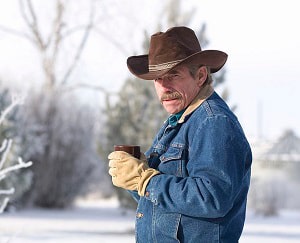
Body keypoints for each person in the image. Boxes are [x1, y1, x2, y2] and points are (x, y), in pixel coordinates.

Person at [108, 26, 252, 243]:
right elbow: (160, 201)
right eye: (157, 78)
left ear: (201, 76)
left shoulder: (213, 122)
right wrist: (136, 177)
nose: (164, 87)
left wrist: (147, 180)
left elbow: (212, 198)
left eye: (173, 75)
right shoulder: (180, 120)